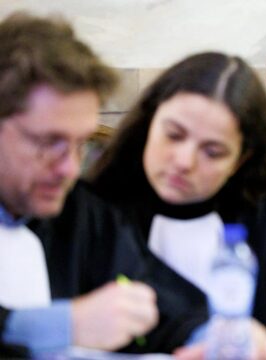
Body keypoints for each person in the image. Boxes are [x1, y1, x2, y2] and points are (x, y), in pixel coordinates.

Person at [88, 51, 266, 352]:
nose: (184, 161)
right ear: (149, 124)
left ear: (241, 159)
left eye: (212, 152)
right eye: (173, 135)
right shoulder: (91, 215)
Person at [0, 12, 207, 356]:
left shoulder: (76, 209)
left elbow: (161, 298)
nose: (68, 168)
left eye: (81, 144)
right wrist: (65, 324)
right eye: (48, 143)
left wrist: (210, 333)